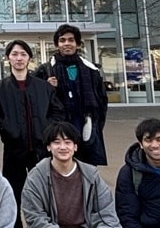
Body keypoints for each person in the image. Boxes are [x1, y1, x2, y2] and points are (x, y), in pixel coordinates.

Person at [0, 39, 64, 228]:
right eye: (14, 54)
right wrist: (7, 126)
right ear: (7, 58)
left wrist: (46, 128)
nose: (19, 58)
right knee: (12, 198)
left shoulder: (43, 87)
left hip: (41, 152)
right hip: (13, 151)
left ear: (29, 58)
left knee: (45, 198)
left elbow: (58, 112)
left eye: (23, 54)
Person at [32, 24, 108, 165]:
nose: (67, 43)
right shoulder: (45, 70)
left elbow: (102, 102)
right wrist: (46, 88)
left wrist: (95, 126)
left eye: (71, 40)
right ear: (57, 45)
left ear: (78, 44)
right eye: (62, 40)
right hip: (57, 130)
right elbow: (35, 102)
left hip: (85, 129)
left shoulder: (91, 70)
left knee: (86, 170)